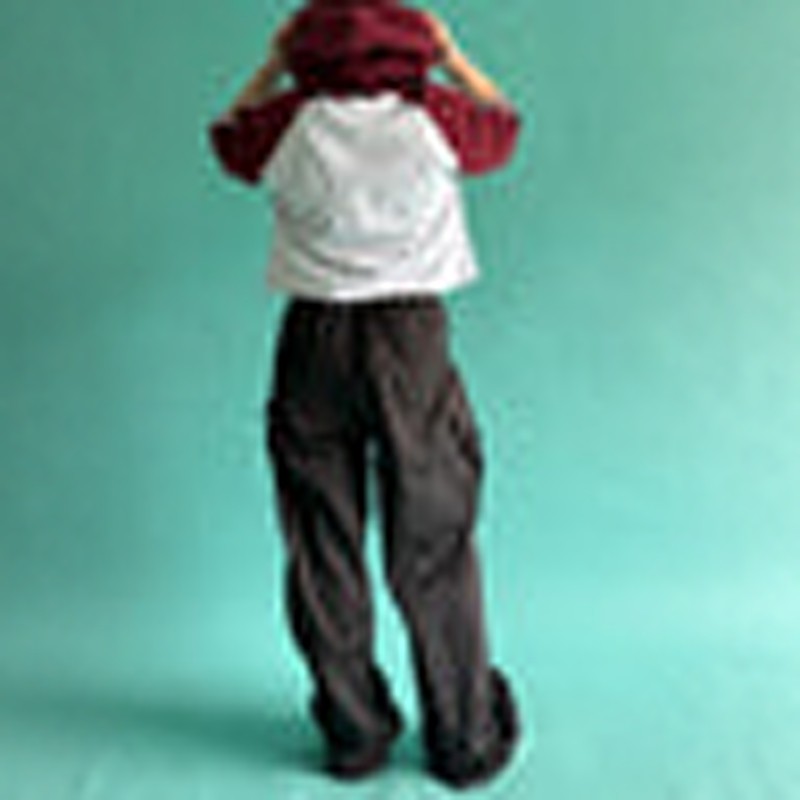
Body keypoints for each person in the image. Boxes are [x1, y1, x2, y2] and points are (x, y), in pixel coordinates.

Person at [207, 0, 523, 788]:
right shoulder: (436, 118)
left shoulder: (286, 124)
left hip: (312, 340)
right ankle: (465, 738)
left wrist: (273, 61)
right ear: (411, 49)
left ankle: (354, 733)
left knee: (321, 541)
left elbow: (227, 134)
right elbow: (505, 123)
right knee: (433, 540)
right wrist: (451, 54)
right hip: (410, 339)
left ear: (307, 54)